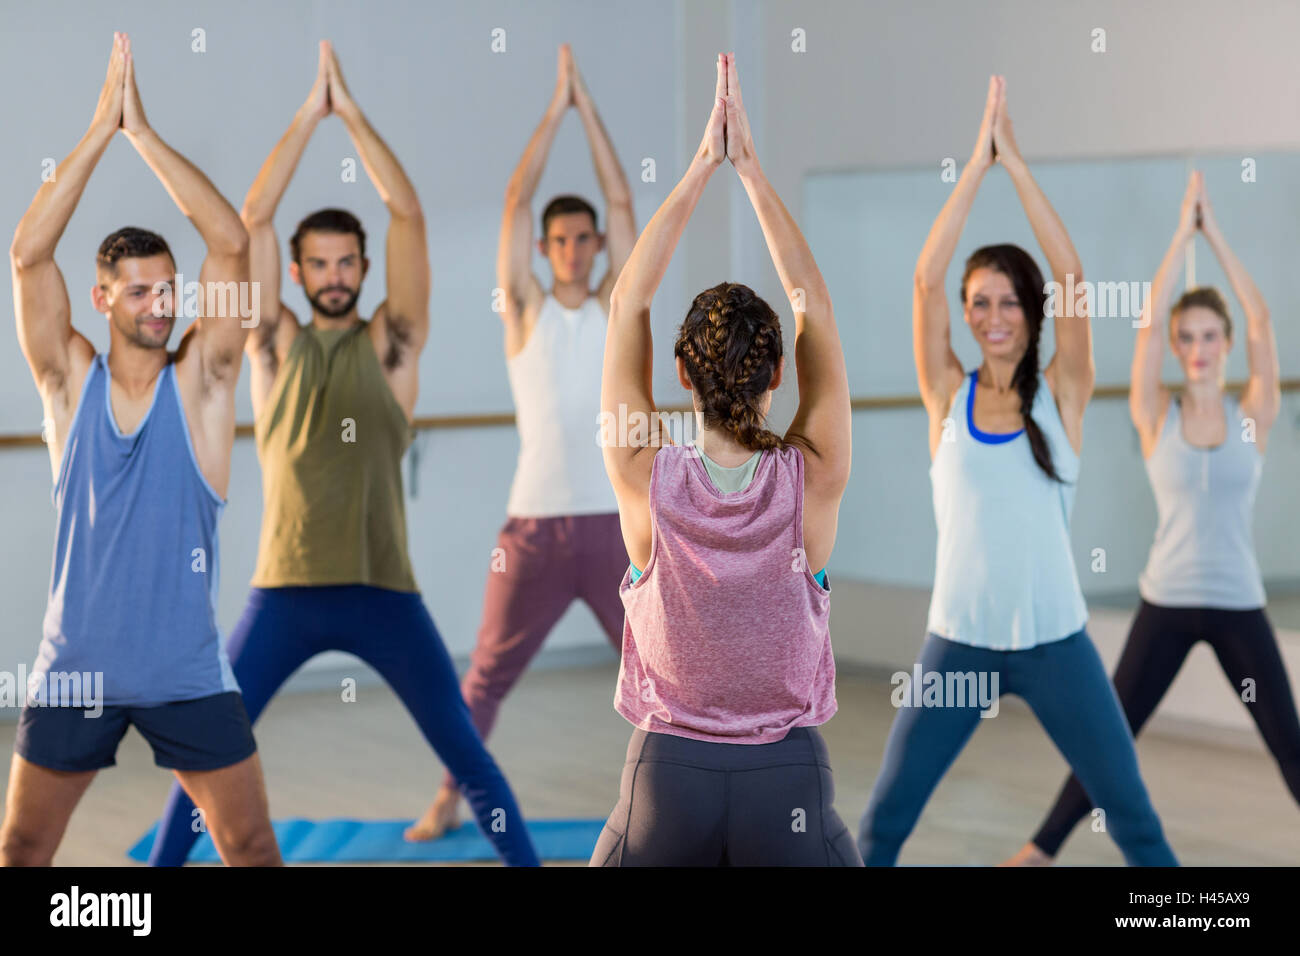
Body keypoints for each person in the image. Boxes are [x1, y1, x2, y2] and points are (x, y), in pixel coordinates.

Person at [147, 41, 539, 867]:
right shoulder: (274, 342)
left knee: (466, 753)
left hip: (383, 592)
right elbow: (250, 219)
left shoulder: (394, 343)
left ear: (363, 268)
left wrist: (351, 115)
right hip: (284, 590)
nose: (333, 275)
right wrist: (306, 116)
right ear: (295, 272)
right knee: (207, 755)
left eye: (346, 263)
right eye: (317, 264)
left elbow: (409, 215)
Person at [856, 75, 1178, 866]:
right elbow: (923, 281)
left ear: (1030, 313)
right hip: (958, 645)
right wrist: (976, 166)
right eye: (979, 303)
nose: (991, 317)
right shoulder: (945, 396)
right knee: (883, 822)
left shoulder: (1061, 395)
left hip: (1054, 645)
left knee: (1132, 816)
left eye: (1007, 302)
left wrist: (1019, 167)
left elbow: (1072, 280)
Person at [2, 33, 280, 866]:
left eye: (168, 288)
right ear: (101, 299)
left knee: (252, 846)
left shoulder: (202, 381)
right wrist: (99, 130)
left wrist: (144, 134)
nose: (160, 302)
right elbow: (27, 254)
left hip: (186, 674)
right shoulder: (67, 381)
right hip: (75, 670)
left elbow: (230, 245)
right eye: (140, 291)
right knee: (19, 847)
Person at [591, 52, 860, 866]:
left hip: (666, 781)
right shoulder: (812, 477)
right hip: (789, 783)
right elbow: (814, 301)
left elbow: (627, 301)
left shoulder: (644, 473)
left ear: (679, 375)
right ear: (780, 373)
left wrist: (702, 167)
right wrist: (751, 171)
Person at [1004, 170, 1294, 866]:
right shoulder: (1153, 415)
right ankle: (1041, 850)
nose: (1197, 348)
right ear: (1175, 347)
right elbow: (1144, 321)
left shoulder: (1251, 416)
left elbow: (1262, 321)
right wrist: (1177, 234)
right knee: (1111, 737)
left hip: (1236, 603)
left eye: (1209, 336)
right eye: (1185, 337)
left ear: (1225, 343)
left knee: (1289, 740)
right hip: (1166, 602)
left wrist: (1212, 232)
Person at [407, 44, 637, 842]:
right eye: (561, 240)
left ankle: (679, 794)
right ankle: (447, 794)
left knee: (658, 671)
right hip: (533, 527)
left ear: (600, 247)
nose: (575, 248)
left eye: (586, 238)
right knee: (487, 674)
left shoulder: (619, 308)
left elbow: (620, 194)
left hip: (615, 524)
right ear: (543, 252)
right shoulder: (525, 315)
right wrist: (555, 110)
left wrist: (591, 113)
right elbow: (515, 196)